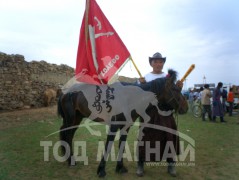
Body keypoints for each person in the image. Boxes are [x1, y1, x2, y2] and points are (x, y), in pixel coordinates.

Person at [137, 52, 183, 177]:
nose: (158, 64)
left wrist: (178, 87)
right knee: (145, 137)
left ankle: (171, 164)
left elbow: (173, 94)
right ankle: (140, 164)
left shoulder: (169, 78)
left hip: (166, 113)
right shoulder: (145, 77)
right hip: (149, 112)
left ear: (163, 64)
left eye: (160, 62)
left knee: (169, 137)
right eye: (155, 61)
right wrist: (140, 85)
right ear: (151, 63)